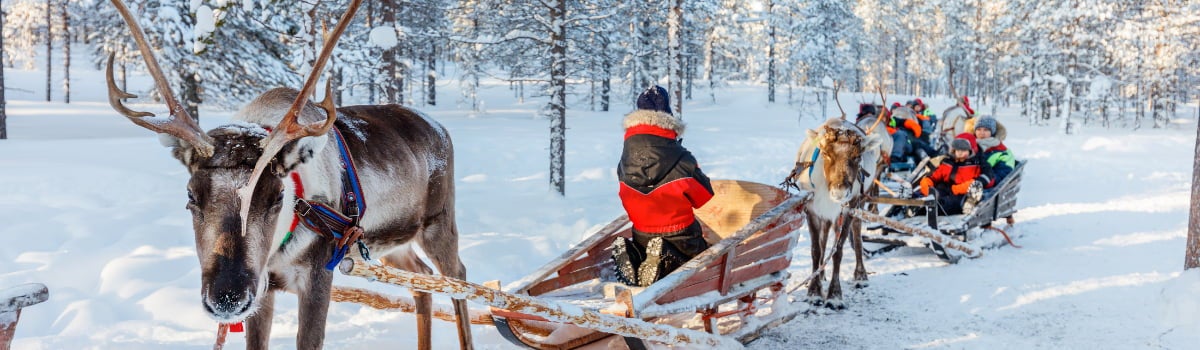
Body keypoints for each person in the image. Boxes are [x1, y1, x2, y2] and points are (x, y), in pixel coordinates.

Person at [613, 85, 714, 287]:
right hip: (682, 236)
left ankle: (636, 256)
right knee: (698, 258)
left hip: (641, 234)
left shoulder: (625, 161)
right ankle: (664, 258)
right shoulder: (682, 159)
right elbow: (704, 197)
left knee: (647, 246)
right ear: (668, 119)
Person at [917, 133, 994, 215]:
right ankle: (920, 203)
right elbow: (934, 176)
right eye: (958, 150)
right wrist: (928, 187)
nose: (960, 153)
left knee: (949, 203)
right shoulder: (948, 161)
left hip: (964, 192)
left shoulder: (978, 163)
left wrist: (964, 187)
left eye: (963, 150)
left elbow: (987, 177)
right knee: (936, 192)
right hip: (946, 189)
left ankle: (926, 209)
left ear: (971, 150)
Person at [973, 116, 1015, 187]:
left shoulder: (1002, 152)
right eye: (979, 129)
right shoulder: (968, 145)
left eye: (986, 130)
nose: (981, 133)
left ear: (992, 132)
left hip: (987, 187)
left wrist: (987, 181)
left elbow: (1003, 173)